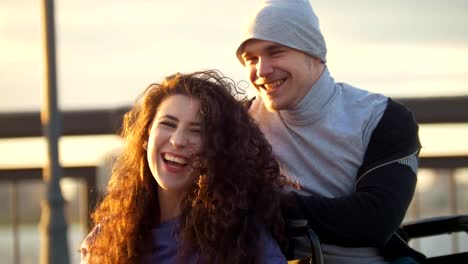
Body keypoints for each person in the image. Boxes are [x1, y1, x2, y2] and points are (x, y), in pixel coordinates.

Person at [235, 0, 423, 263]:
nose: (262, 70)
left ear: (313, 53)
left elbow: (375, 219)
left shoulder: (382, 117)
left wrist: (268, 203)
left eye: (275, 52)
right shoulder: (239, 121)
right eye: (251, 59)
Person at [80, 70, 288, 264]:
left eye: (197, 131)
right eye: (168, 124)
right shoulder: (107, 238)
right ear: (145, 136)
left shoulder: (244, 241)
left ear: (219, 149)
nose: (178, 140)